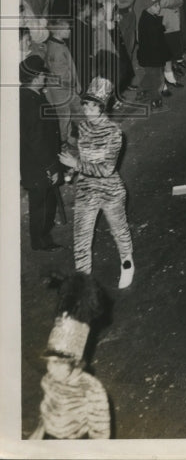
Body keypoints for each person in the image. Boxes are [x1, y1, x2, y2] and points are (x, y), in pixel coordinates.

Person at [58, 77, 134, 289]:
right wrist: (71, 169)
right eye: (86, 104)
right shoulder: (82, 127)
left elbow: (107, 169)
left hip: (110, 191)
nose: (88, 109)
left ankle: (127, 263)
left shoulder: (114, 133)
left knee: (119, 231)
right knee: (81, 240)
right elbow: (83, 156)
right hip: (86, 190)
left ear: (103, 107)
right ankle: (83, 285)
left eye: (94, 105)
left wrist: (77, 163)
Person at [29, 274, 111, 440]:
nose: (52, 368)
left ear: (75, 363)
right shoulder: (50, 379)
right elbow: (47, 414)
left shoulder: (91, 389)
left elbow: (101, 433)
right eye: (50, 362)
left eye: (59, 363)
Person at [19, 55, 62, 251]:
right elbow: (37, 140)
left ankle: (41, 236)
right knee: (42, 205)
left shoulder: (27, 95)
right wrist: (51, 167)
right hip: (39, 165)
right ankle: (41, 242)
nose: (44, 77)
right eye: (42, 74)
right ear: (36, 77)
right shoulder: (32, 103)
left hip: (34, 162)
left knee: (43, 201)